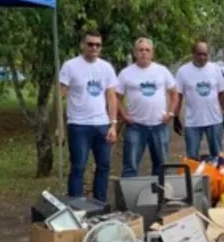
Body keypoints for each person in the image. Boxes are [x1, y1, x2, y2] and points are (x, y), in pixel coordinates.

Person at [58, 30, 118, 202]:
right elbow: (60, 95)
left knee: (104, 166)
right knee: (78, 167)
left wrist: (113, 124)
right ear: (82, 45)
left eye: (98, 45)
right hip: (78, 125)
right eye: (90, 44)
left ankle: (100, 203)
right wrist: (59, 126)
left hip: (102, 124)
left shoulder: (106, 67)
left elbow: (111, 97)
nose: (94, 48)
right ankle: (76, 206)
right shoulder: (70, 66)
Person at [116, 37, 178, 177]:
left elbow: (174, 93)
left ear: (152, 53)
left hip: (159, 125)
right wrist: (124, 116)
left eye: (147, 50)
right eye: (140, 50)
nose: (144, 53)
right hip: (136, 127)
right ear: (134, 52)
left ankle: (159, 196)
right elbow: (116, 97)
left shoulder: (162, 71)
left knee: (161, 166)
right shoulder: (126, 73)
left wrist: (171, 113)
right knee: (130, 166)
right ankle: (129, 197)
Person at [173, 41, 224, 159]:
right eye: (199, 54)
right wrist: (175, 116)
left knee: (218, 156)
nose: (202, 57)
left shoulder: (215, 69)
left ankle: (216, 177)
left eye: (205, 54)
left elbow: (221, 94)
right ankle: (195, 177)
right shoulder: (183, 71)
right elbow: (178, 96)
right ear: (193, 53)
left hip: (214, 121)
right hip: (193, 123)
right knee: (192, 157)